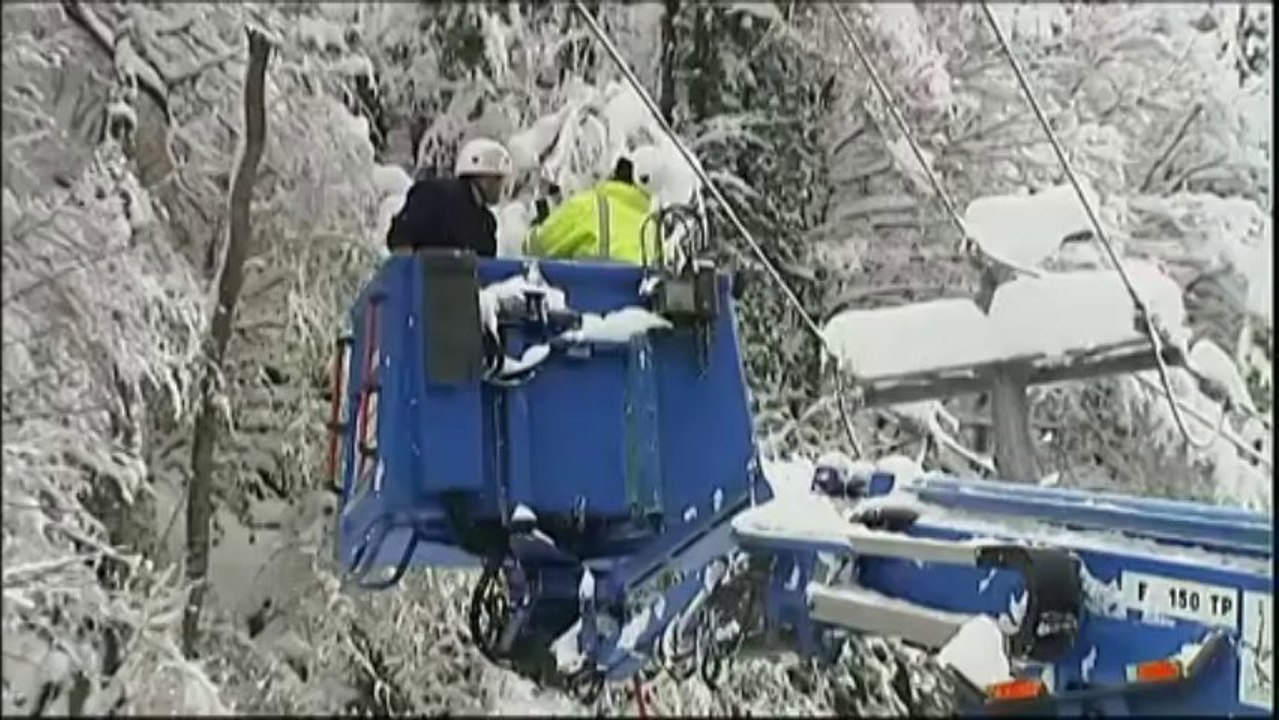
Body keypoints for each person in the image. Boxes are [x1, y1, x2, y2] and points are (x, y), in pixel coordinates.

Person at [525, 146, 664, 265]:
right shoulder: (654, 228)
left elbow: (535, 249)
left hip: (581, 295)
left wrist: (535, 225)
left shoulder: (586, 207)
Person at [386, 138, 513, 257]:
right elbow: (401, 238)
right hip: (425, 277)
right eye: (497, 179)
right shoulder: (436, 195)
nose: (501, 187)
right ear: (481, 177)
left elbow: (486, 268)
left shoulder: (486, 222)